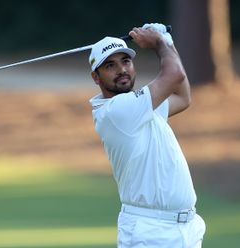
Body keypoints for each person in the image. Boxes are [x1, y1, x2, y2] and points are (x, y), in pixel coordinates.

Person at [88, 23, 206, 248]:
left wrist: (168, 43)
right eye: (110, 65)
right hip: (150, 231)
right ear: (96, 77)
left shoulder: (138, 106)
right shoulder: (118, 110)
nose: (121, 69)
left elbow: (183, 96)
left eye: (126, 61)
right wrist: (160, 43)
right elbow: (174, 74)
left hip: (186, 229)